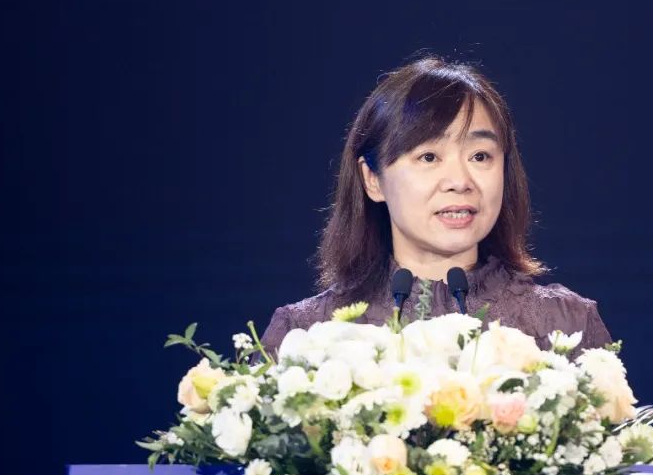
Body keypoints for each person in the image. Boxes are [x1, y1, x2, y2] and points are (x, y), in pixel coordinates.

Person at [258, 54, 612, 361]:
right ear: (373, 179)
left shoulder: (565, 327)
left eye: (480, 156)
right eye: (429, 157)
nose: (460, 181)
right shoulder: (306, 335)